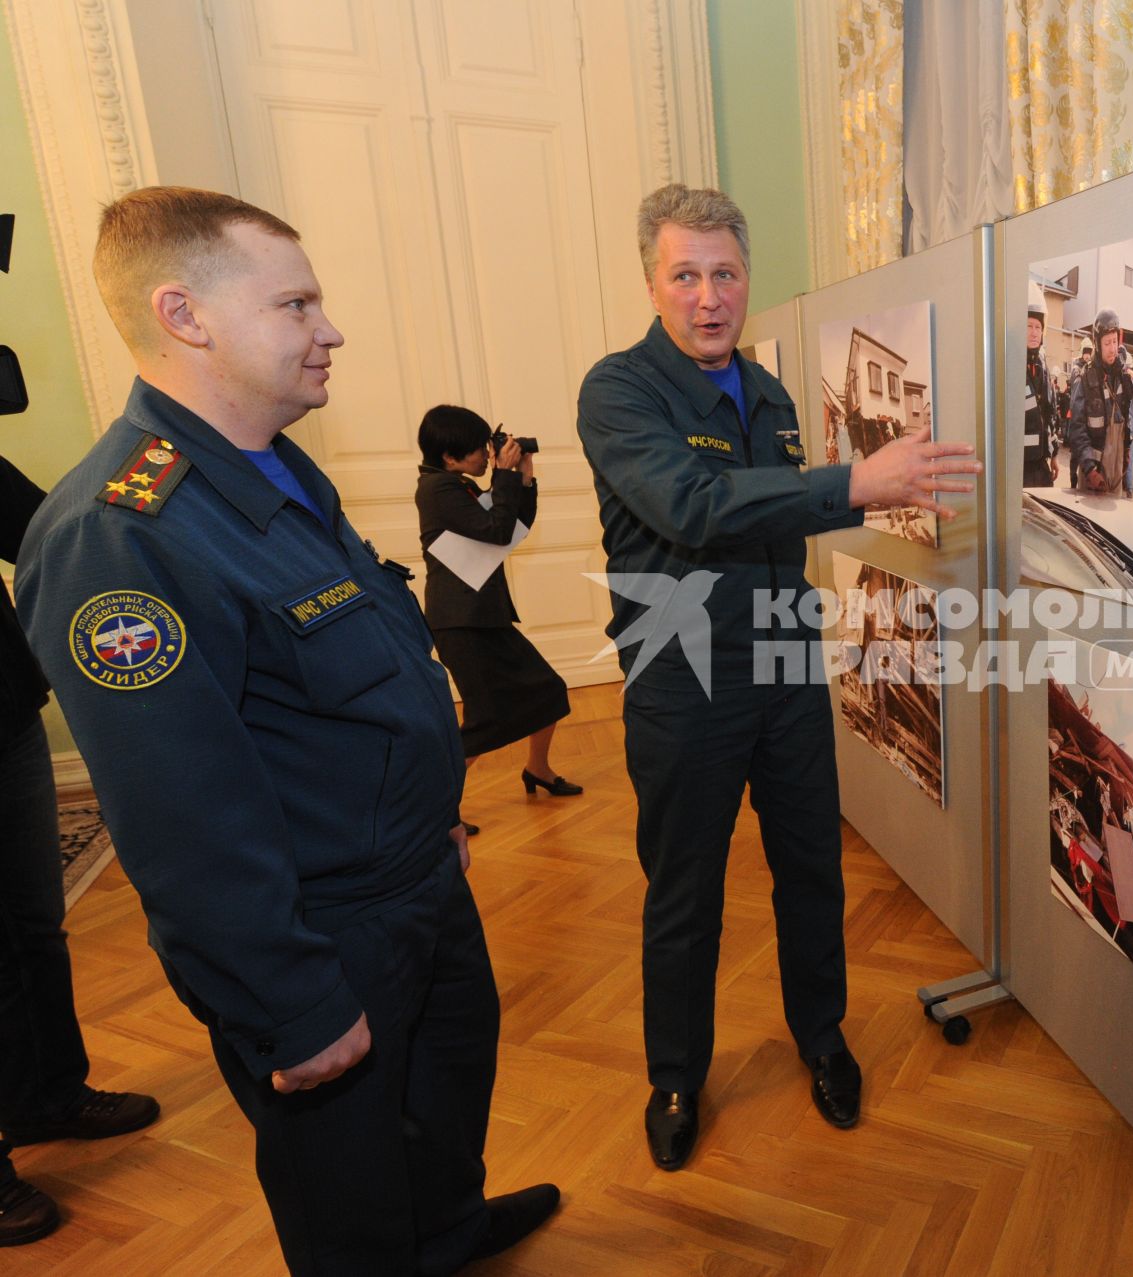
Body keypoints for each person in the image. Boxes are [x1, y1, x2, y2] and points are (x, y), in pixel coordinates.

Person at [15, 186, 556, 1275]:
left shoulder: (275, 461)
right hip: (320, 931)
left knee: (443, 1095)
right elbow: (183, 815)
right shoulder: (119, 534)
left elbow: (360, 678)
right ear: (186, 314)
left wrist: (433, 822)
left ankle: (446, 1233)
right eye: (297, 304)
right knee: (344, 1182)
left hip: (415, 877)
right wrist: (292, 1002)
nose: (331, 328)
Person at [575, 183, 979, 1173]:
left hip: (786, 661)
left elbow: (776, 523)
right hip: (683, 676)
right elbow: (694, 504)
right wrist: (856, 483)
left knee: (810, 866)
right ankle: (676, 1073)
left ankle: (823, 1037)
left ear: (747, 279)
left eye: (726, 274)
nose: (709, 296)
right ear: (650, 280)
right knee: (686, 889)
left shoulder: (772, 393)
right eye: (686, 274)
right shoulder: (619, 390)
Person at [1, 455, 161, 1248]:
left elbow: (48, 528)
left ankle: (48, 1096)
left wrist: (147, 463)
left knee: (32, 926)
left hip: (3, 717)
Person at [415, 404, 581, 824]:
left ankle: (537, 770)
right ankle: (436, 811)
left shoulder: (457, 485)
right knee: (484, 719)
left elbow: (514, 524)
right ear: (449, 458)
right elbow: (497, 529)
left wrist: (522, 477)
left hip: (484, 616)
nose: (487, 456)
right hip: (461, 622)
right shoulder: (438, 489)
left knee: (548, 690)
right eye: (477, 450)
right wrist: (503, 477)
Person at [1066, 309, 1133, 498]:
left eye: (1115, 341)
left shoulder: (1123, 377)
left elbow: (1128, 422)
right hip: (1093, 472)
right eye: (1107, 343)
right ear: (1098, 344)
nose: (1113, 348)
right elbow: (1076, 429)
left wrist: (1126, 455)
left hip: (1117, 471)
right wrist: (1090, 469)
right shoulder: (1085, 379)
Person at [1021, 286, 1058, 487]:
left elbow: (1050, 414)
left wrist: (1054, 454)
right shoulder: (1009, 368)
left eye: (1038, 327)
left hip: (1041, 467)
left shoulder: (1042, 366)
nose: (1034, 333)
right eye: (1029, 326)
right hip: (1019, 468)